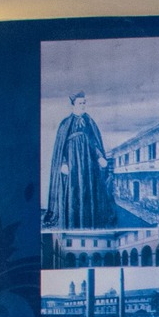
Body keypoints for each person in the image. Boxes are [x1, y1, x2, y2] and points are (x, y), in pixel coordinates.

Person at [44, 91, 116, 230]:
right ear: (73, 105)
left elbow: (94, 142)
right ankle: (73, 223)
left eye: (84, 103)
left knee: (89, 191)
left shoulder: (89, 122)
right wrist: (63, 163)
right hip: (72, 164)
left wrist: (100, 156)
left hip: (89, 165)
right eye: (80, 103)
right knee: (73, 192)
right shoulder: (65, 124)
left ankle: (90, 223)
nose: (83, 105)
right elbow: (61, 148)